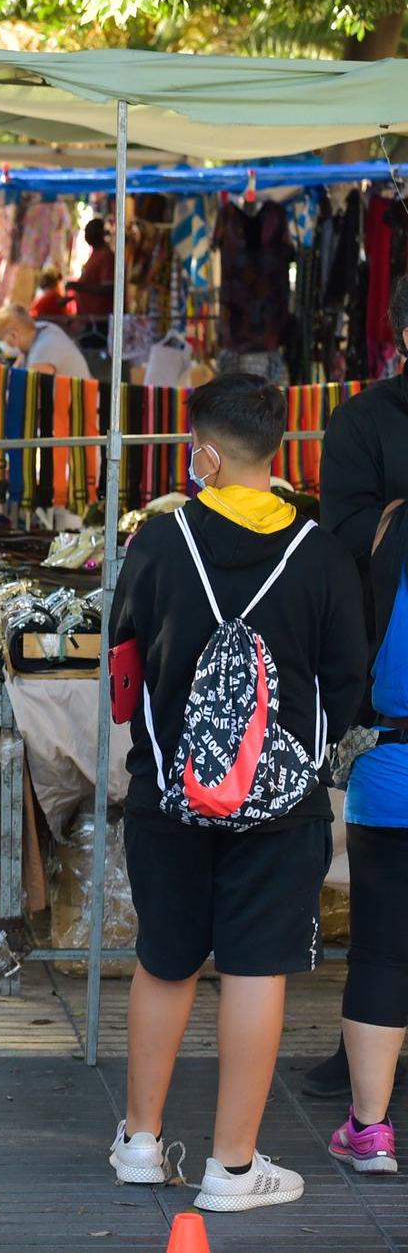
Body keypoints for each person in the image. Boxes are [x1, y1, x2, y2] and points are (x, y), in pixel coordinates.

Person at [106, 373, 366, 1215]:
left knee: (166, 956)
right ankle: (232, 1165)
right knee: (258, 968)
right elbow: (346, 681)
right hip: (282, 805)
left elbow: (123, 665)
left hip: (168, 797)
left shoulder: (157, 539)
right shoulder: (322, 552)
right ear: (279, 452)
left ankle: (141, 1143)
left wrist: (161, 756)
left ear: (206, 455)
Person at [302, 277, 408, 1105]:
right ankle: (367, 1060)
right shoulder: (364, 421)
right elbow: (347, 544)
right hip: (390, 682)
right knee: (383, 911)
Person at [0, 302, 92, 380]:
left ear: (14, 334)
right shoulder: (38, 330)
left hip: (80, 407)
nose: (1, 344)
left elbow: (29, 393)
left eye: (1, 339)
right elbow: (16, 370)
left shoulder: (43, 352)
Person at [68, 216, 116, 321]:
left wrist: (78, 286)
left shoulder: (106, 256)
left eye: (90, 232)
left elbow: (107, 288)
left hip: (99, 319)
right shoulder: (95, 254)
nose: (87, 236)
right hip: (88, 317)